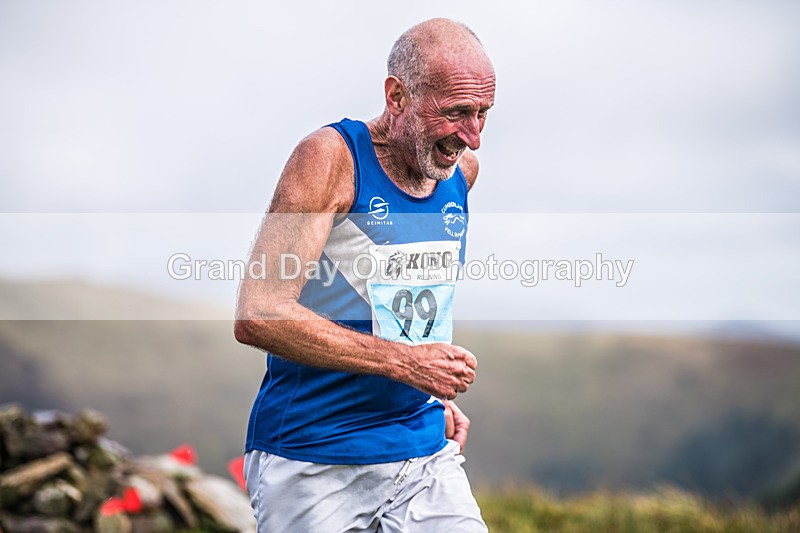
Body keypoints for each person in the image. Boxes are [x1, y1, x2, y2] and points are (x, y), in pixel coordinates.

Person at [234, 18, 495, 532]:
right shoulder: (331, 158)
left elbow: (406, 296)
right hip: (314, 455)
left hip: (421, 451)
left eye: (484, 114)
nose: (473, 138)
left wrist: (430, 391)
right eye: (458, 113)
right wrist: (409, 366)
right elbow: (259, 313)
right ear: (397, 96)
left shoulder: (460, 173)